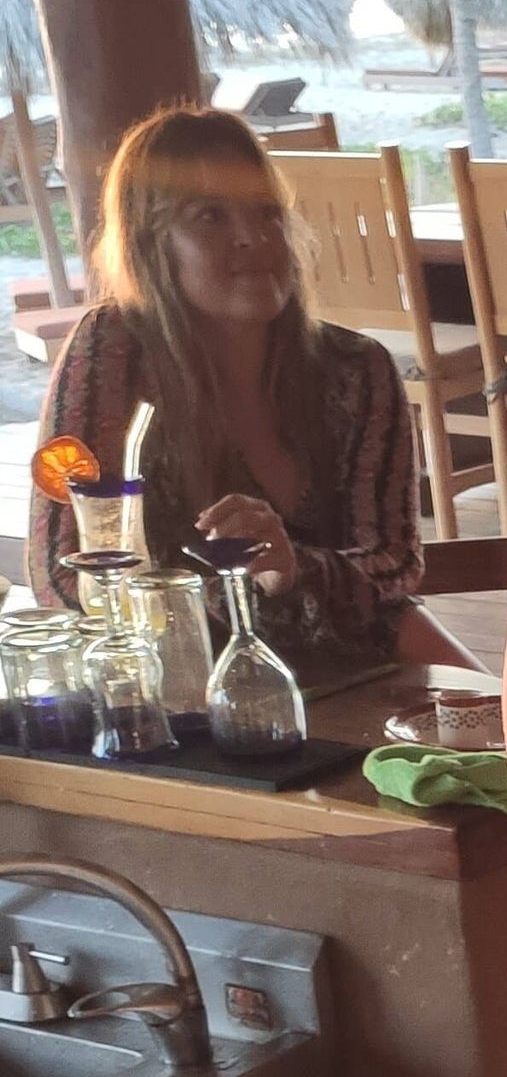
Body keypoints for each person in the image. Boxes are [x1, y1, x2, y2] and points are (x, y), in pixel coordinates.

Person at [28, 104, 473, 678]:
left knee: (501, 740)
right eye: (209, 216)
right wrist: (247, 597)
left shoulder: (357, 368)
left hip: (351, 668)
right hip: (177, 686)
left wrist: (290, 570)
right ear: (151, 246)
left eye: (267, 214)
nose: (252, 239)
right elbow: (63, 573)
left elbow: (391, 565)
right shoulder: (112, 349)